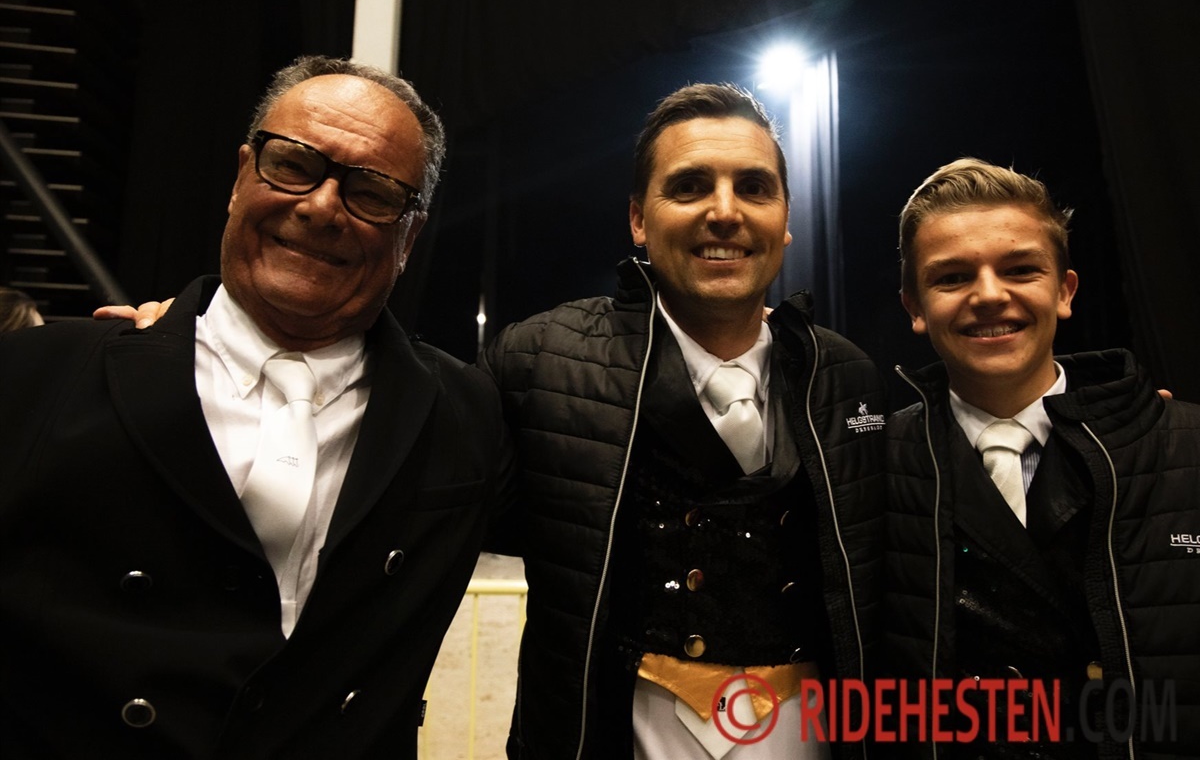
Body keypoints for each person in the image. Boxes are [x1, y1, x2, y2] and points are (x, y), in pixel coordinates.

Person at [0, 56, 512, 759]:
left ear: (410, 233)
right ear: (243, 175)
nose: (322, 206)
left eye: (372, 191)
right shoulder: (41, 376)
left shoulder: (467, 416)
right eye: (293, 165)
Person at [481, 84, 886, 759]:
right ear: (638, 218)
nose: (724, 212)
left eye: (753, 188)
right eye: (691, 186)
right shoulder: (536, 362)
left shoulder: (849, 379)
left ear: (785, 218)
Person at [885, 158, 1200, 758]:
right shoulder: (869, 467)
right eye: (952, 277)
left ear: (1064, 291)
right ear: (915, 307)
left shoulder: (1185, 446)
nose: (989, 295)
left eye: (1020, 270)